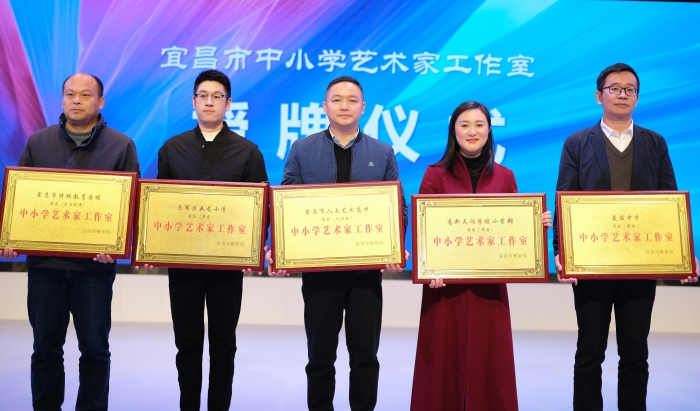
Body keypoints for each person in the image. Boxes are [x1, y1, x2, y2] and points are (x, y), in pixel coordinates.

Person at [552, 63, 699, 411]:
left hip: (639, 264)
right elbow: (565, 198)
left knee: (635, 352)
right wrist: (561, 251)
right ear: (598, 96)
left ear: (637, 97)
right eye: (615, 88)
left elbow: (669, 201)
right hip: (591, 264)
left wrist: (684, 252)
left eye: (630, 89)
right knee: (590, 351)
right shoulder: (576, 143)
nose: (622, 94)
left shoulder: (655, 143)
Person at [267, 75, 408, 411]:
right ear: (324, 106)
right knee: (319, 356)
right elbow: (287, 203)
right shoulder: (302, 148)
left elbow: (397, 206)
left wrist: (395, 245)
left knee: (365, 356)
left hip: (365, 275)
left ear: (363, 107)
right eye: (337, 100)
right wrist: (281, 248)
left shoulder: (382, 151)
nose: (344, 106)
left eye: (352, 100)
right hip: (319, 274)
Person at [1, 73, 140, 411]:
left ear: (101, 101)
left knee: (95, 350)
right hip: (45, 267)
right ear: (62, 99)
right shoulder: (39, 142)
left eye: (85, 95)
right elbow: (21, 198)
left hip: (94, 269)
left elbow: (131, 205)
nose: (76, 100)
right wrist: (11, 237)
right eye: (70, 94)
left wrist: (116, 244)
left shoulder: (121, 145)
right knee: (45, 349)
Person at [409, 101, 551, 411]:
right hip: (444, 291)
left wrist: (536, 223)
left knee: (491, 365)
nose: (472, 131)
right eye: (464, 125)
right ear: (453, 131)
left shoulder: (505, 176)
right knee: (441, 364)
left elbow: (515, 230)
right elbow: (422, 230)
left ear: (489, 130)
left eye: (479, 125)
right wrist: (428, 269)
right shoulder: (434, 175)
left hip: (490, 290)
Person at [156, 69, 268, 411]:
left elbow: (260, 210)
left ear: (228, 103)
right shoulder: (172, 148)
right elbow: (159, 203)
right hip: (184, 266)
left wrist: (253, 250)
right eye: (203, 95)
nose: (209, 102)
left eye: (217, 96)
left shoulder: (247, 152)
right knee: (187, 344)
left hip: (227, 267)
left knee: (223, 345)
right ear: (193, 101)